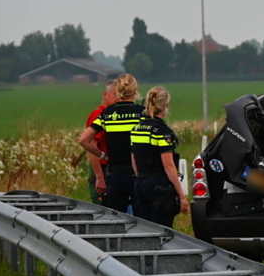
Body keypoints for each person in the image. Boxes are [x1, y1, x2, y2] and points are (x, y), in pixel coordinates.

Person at [79, 74, 144, 212]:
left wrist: (103, 156)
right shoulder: (142, 114)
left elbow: (84, 140)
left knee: (116, 219)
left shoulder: (107, 115)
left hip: (115, 175)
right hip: (138, 174)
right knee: (142, 219)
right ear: (135, 91)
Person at [130, 86, 189, 227]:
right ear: (166, 106)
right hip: (158, 187)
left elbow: (134, 161)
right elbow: (168, 164)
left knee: (144, 229)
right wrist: (181, 195)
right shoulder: (161, 131)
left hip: (140, 184)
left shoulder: (137, 128)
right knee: (162, 231)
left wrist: (142, 178)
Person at [83, 80, 117, 203]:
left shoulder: (114, 116)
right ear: (105, 95)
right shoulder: (98, 115)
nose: (117, 98)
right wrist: (99, 177)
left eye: (120, 95)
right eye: (114, 94)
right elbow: (92, 148)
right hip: (102, 168)